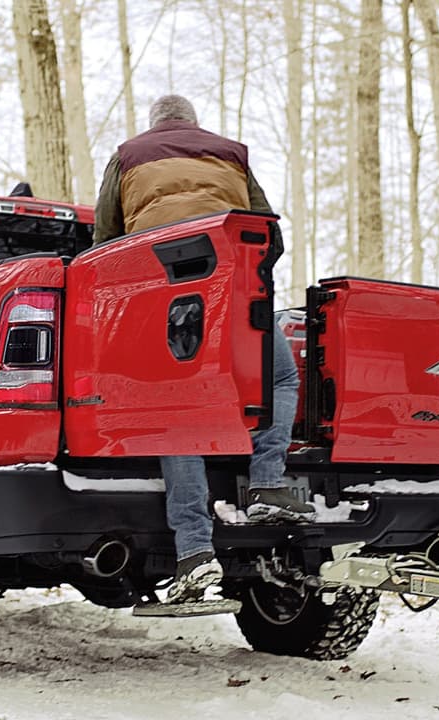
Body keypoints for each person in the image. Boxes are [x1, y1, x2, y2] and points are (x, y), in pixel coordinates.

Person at [94, 95, 315, 604]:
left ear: (155, 123)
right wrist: (251, 282)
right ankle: (266, 486)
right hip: (234, 293)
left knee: (180, 409)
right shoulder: (231, 154)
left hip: (164, 298)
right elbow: (267, 230)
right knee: (279, 377)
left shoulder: (128, 156)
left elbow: (105, 240)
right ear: (194, 123)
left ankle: (195, 553)